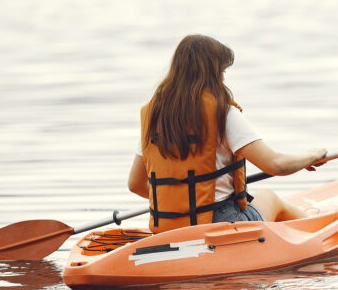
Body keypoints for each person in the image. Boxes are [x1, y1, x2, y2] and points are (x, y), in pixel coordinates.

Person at [127, 35, 327, 233]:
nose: (222, 78)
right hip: (221, 222)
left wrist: (179, 207)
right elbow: (275, 165)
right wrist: (311, 156)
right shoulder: (222, 113)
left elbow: (135, 184)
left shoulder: (154, 117)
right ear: (212, 73)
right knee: (270, 197)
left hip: (170, 228)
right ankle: (322, 231)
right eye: (222, 71)